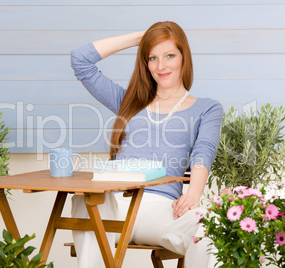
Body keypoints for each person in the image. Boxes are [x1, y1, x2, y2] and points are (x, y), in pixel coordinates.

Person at [70, 21, 223, 268]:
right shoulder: (127, 102)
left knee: (212, 229)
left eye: (169, 55)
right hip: (114, 203)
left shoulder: (207, 108)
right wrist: (139, 39)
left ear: (184, 57)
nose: (161, 66)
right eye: (153, 58)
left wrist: (193, 195)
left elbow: (203, 152)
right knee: (83, 200)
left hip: (162, 210)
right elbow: (80, 60)